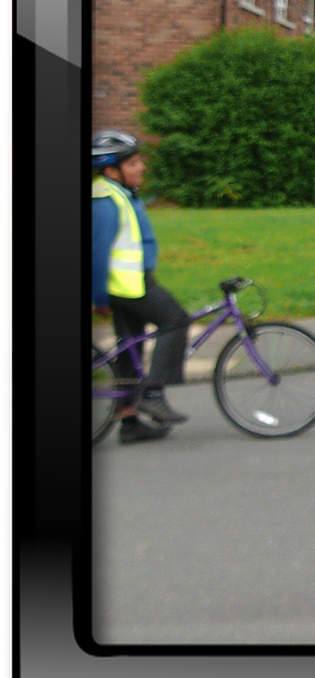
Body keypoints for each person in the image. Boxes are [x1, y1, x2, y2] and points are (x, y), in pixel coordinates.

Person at [92, 130, 190, 444]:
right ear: (111, 169)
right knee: (176, 320)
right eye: (134, 162)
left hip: (128, 283)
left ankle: (130, 423)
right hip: (129, 286)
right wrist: (98, 297)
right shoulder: (106, 200)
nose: (142, 167)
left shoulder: (118, 192)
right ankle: (153, 392)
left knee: (130, 347)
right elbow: (97, 252)